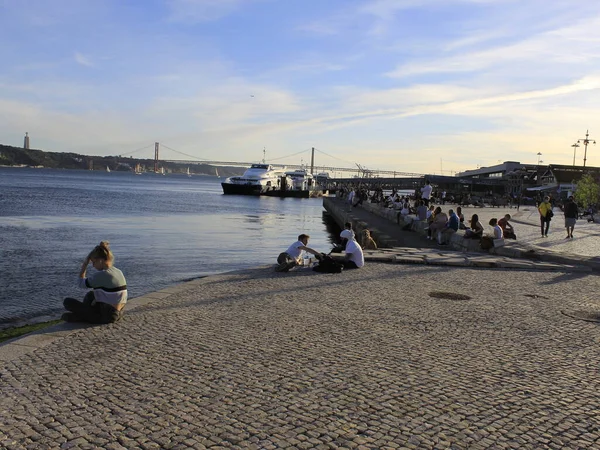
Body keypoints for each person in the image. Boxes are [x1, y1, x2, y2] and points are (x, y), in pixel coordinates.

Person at [62, 241, 127, 324]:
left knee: (67, 302)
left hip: (108, 316)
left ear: (100, 260)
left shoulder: (103, 274)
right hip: (119, 312)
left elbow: (81, 283)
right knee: (90, 295)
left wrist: (84, 265)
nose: (93, 265)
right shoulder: (118, 271)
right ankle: (82, 316)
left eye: (93, 262)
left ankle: (80, 316)